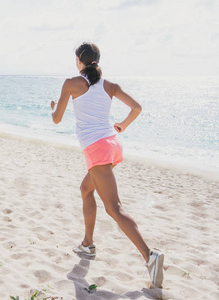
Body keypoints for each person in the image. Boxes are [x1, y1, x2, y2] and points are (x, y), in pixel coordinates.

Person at [50, 42, 164, 288]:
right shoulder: (109, 86)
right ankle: (87, 244)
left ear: (79, 60)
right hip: (112, 145)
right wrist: (123, 125)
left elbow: (57, 119)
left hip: (97, 150)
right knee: (86, 189)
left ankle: (149, 256)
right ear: (96, 60)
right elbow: (137, 108)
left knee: (114, 208)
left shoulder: (72, 83)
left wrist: (53, 109)